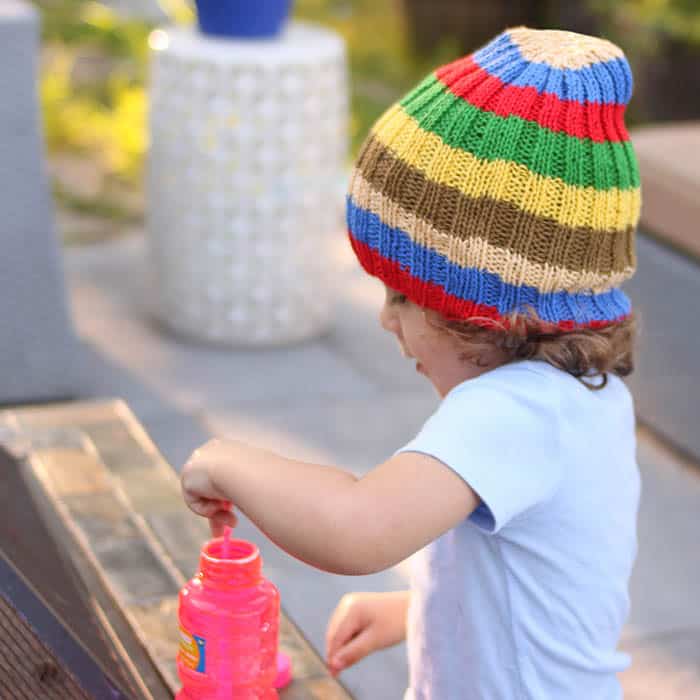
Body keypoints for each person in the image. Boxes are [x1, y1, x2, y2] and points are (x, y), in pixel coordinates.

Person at [180, 26, 641, 699]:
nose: (385, 318)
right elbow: (548, 575)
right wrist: (418, 611)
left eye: (403, 295)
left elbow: (356, 529)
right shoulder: (581, 399)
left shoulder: (511, 411)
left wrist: (225, 459)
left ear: (485, 312)